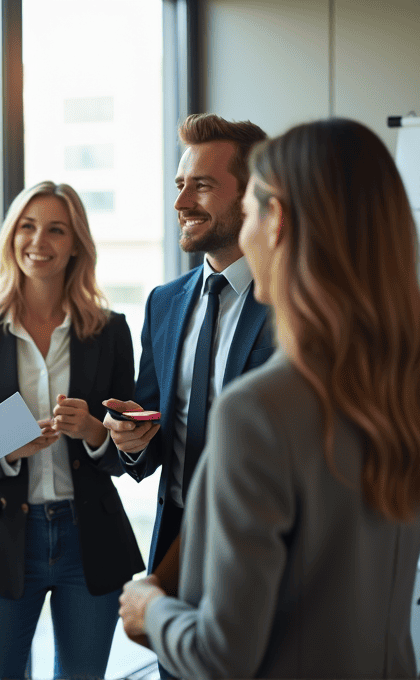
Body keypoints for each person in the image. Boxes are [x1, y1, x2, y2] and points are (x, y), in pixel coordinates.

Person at [118, 118, 420, 678]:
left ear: (276, 222)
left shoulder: (262, 410)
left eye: (250, 212)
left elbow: (222, 656)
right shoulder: (418, 395)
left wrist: (149, 609)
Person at [0, 181, 145, 680]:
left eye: (56, 229)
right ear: (11, 236)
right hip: (5, 536)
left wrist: (94, 432)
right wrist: (8, 448)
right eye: (28, 226)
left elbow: (131, 451)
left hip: (91, 539)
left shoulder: (109, 330)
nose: (39, 241)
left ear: (76, 242)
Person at [103, 114, 273, 595]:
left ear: (251, 194)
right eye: (179, 185)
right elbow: (155, 432)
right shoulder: (164, 302)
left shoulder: (294, 305)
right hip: (174, 545)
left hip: (260, 549)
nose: (180, 203)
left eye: (201, 186)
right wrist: (132, 439)